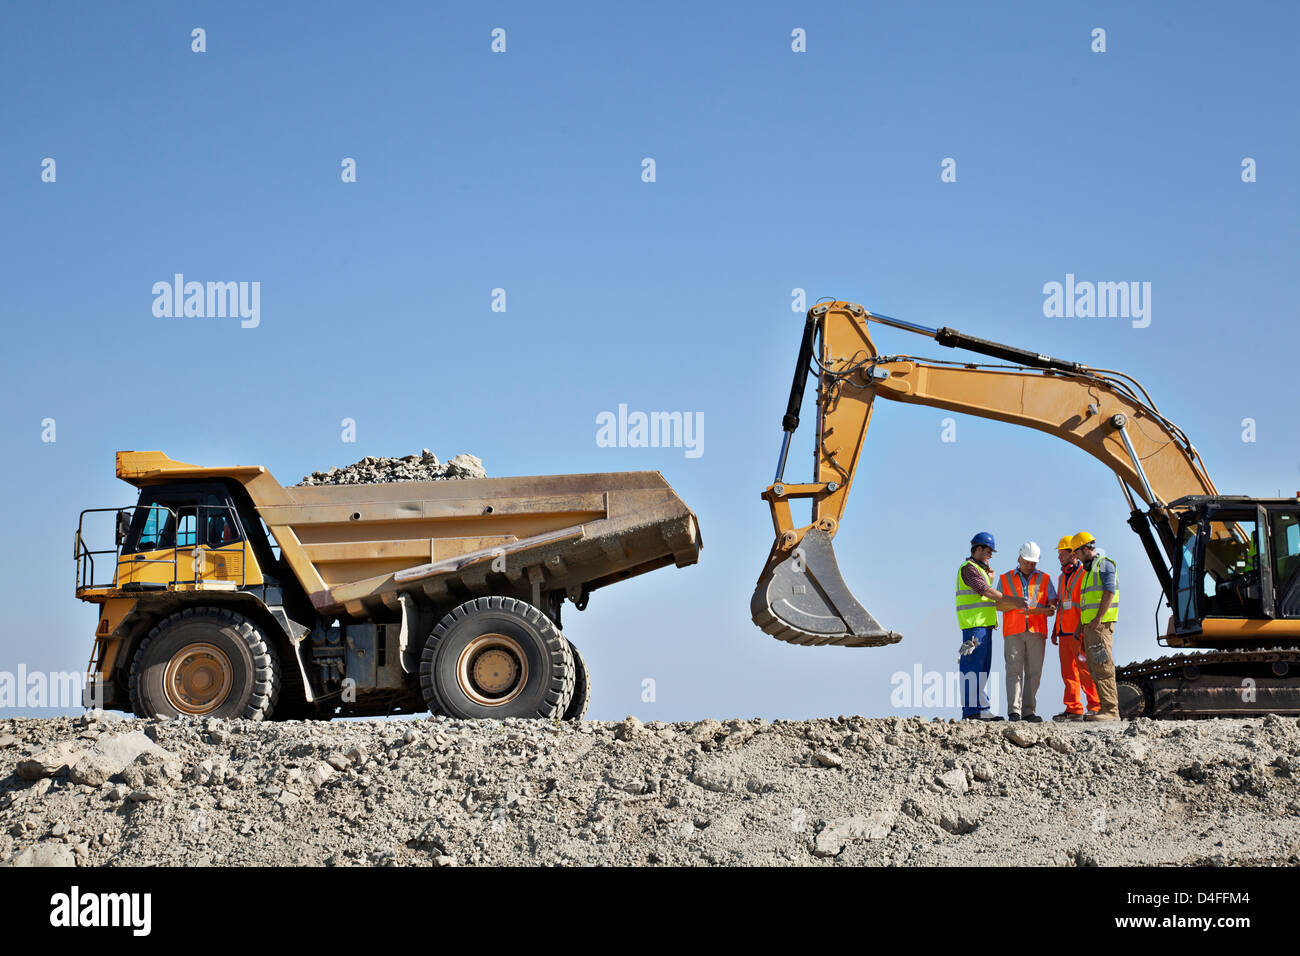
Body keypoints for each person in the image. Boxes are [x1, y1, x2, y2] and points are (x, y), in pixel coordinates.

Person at [956, 532, 1025, 720]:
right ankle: (972, 711)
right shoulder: (968, 569)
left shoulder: (979, 570)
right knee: (972, 668)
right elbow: (985, 591)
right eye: (988, 551)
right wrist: (1015, 601)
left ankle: (981, 708)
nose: (991, 555)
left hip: (982, 628)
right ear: (978, 549)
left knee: (981, 669)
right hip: (974, 628)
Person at [997, 542, 1055, 722]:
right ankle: (1014, 711)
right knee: (1013, 671)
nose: (1030, 566)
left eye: (1033, 563)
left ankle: (1028, 711)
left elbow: (1053, 604)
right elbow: (998, 604)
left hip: (1036, 631)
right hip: (1013, 631)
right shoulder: (1005, 578)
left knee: (1034, 672)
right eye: (1027, 562)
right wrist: (1015, 603)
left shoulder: (1044, 578)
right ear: (1019, 558)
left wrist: (1044, 609)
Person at [1050, 536, 1099, 721]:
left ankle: (1095, 706)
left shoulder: (1084, 574)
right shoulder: (1062, 577)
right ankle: (1073, 708)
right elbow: (1062, 605)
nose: (1059, 557)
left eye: (1062, 553)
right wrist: (1056, 629)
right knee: (1068, 673)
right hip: (1064, 632)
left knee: (1085, 671)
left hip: (1079, 632)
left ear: (1073, 554)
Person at [1074, 531, 1121, 721]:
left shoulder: (1103, 565)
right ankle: (1105, 708)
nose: (1075, 556)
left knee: (1103, 667)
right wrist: (1081, 625)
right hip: (1091, 628)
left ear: (1085, 549)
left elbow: (1110, 591)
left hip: (1100, 628)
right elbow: (1087, 603)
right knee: (1094, 668)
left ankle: (1111, 711)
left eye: (1076, 552)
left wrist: (1098, 619)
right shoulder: (1089, 571)